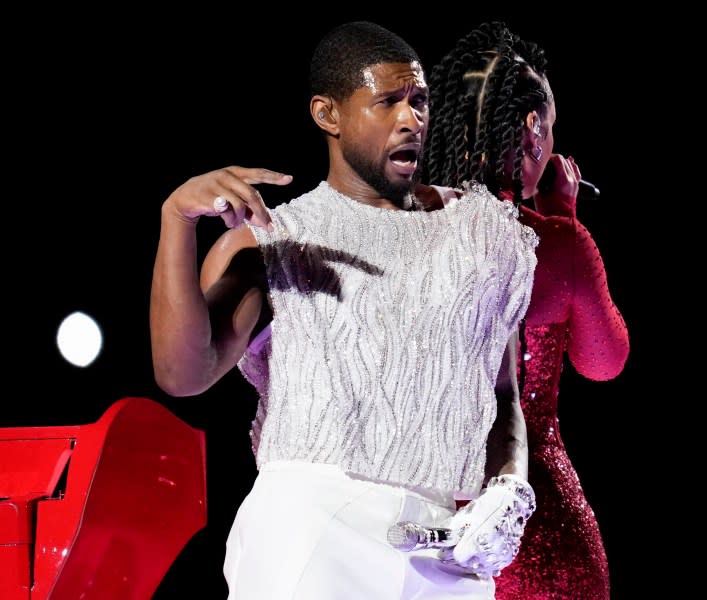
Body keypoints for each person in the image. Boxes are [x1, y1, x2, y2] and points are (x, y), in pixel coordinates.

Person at [149, 21, 540, 600]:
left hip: (441, 547)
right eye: (388, 102)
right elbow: (183, 374)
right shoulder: (275, 239)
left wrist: (510, 489)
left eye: (420, 100)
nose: (412, 119)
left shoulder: (482, 236)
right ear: (327, 114)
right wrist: (176, 222)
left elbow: (504, 394)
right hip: (311, 529)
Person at [420, 21, 631, 600]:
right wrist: (565, 221)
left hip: (432, 519)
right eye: (552, 126)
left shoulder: (409, 235)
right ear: (535, 129)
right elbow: (604, 361)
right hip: (538, 520)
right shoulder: (556, 244)